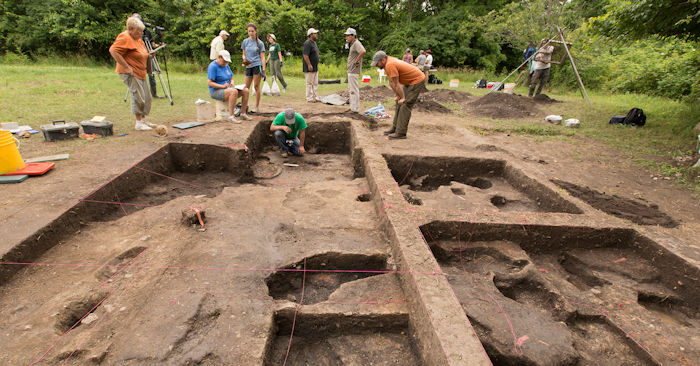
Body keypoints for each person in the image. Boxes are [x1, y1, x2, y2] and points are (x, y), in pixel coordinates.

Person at [110, 16, 155, 131]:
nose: (141, 33)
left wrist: (150, 55)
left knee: (146, 97)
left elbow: (142, 53)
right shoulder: (125, 37)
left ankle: (144, 120)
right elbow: (113, 50)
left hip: (141, 71)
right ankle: (138, 123)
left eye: (141, 31)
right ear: (130, 29)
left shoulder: (138, 39)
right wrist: (126, 66)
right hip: (131, 73)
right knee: (138, 96)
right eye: (138, 31)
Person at [371, 51, 426, 140]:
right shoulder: (386, 65)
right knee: (399, 102)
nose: (376, 65)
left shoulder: (390, 64)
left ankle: (401, 133)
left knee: (406, 104)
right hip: (409, 81)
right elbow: (391, 82)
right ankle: (395, 128)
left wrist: (403, 97)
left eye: (377, 63)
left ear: (383, 60)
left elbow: (396, 83)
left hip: (417, 80)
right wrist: (397, 95)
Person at [207, 50, 252, 122]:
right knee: (233, 92)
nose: (225, 63)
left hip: (228, 89)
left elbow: (231, 77)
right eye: (224, 61)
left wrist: (232, 82)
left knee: (246, 90)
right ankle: (231, 116)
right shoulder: (213, 67)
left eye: (227, 62)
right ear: (219, 57)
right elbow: (209, 83)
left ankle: (243, 113)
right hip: (216, 91)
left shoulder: (226, 65)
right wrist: (222, 86)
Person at [132, 13, 163, 98]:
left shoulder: (147, 32)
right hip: (139, 57)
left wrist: (159, 46)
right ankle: (139, 93)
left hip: (149, 57)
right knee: (138, 76)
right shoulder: (133, 34)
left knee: (152, 74)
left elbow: (152, 44)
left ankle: (154, 94)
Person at [241, 23, 265, 113]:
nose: (251, 33)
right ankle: (245, 106)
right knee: (246, 87)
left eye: (252, 31)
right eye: (249, 31)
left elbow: (262, 57)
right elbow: (243, 54)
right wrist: (244, 59)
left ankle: (256, 106)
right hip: (248, 66)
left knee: (256, 86)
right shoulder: (245, 42)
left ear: (256, 31)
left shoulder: (260, 43)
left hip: (256, 65)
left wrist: (263, 70)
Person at [344, 28, 365, 113]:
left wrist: (357, 60)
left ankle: (355, 109)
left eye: (348, 35)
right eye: (346, 35)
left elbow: (363, 51)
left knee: (354, 90)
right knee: (351, 90)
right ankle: (352, 107)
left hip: (354, 71)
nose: (346, 37)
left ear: (353, 35)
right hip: (351, 70)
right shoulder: (352, 44)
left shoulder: (356, 43)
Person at [303, 28, 320, 102]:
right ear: (310, 35)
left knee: (315, 83)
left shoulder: (314, 43)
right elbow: (305, 55)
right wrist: (309, 64)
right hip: (309, 67)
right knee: (309, 83)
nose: (316, 35)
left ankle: (315, 96)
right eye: (315, 33)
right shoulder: (307, 43)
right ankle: (309, 97)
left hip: (315, 66)